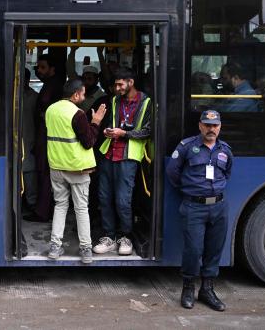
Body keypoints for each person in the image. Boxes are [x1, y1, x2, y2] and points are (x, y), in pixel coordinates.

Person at [166, 110, 233, 311]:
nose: (211, 129)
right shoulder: (187, 147)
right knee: (193, 250)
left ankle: (207, 290)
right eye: (207, 125)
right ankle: (188, 288)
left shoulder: (225, 150)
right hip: (194, 206)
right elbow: (173, 172)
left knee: (214, 250)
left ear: (220, 127)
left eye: (215, 126)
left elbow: (228, 172)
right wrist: (190, 191)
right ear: (200, 126)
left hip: (219, 207)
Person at [45, 79, 106, 264]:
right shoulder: (77, 114)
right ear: (76, 95)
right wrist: (95, 122)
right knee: (81, 208)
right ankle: (86, 249)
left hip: (56, 166)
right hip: (77, 168)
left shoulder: (51, 110)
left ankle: (55, 247)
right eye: (83, 93)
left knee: (60, 205)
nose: (84, 97)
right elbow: (88, 141)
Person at [93, 67, 151, 256]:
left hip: (128, 157)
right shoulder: (115, 100)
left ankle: (125, 236)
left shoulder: (147, 102)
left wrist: (123, 133)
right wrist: (108, 130)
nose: (116, 88)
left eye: (120, 84)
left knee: (123, 201)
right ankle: (109, 237)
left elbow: (148, 131)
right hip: (108, 153)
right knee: (104, 198)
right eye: (115, 85)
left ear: (130, 83)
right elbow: (112, 122)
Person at [28, 54, 64, 222]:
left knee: (45, 174)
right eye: (37, 68)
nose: (39, 71)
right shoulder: (49, 85)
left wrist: (44, 115)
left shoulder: (53, 86)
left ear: (52, 69)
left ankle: (43, 211)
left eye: (43, 67)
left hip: (47, 135)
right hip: (43, 134)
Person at [67, 48, 105, 112]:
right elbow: (71, 72)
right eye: (84, 79)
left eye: (89, 79)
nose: (86, 82)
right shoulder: (78, 94)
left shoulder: (102, 97)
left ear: (96, 81)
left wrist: (100, 53)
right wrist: (72, 51)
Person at [22, 68, 39, 213]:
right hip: (15, 140)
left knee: (30, 174)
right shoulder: (9, 96)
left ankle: (31, 203)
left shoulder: (34, 97)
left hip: (30, 139)